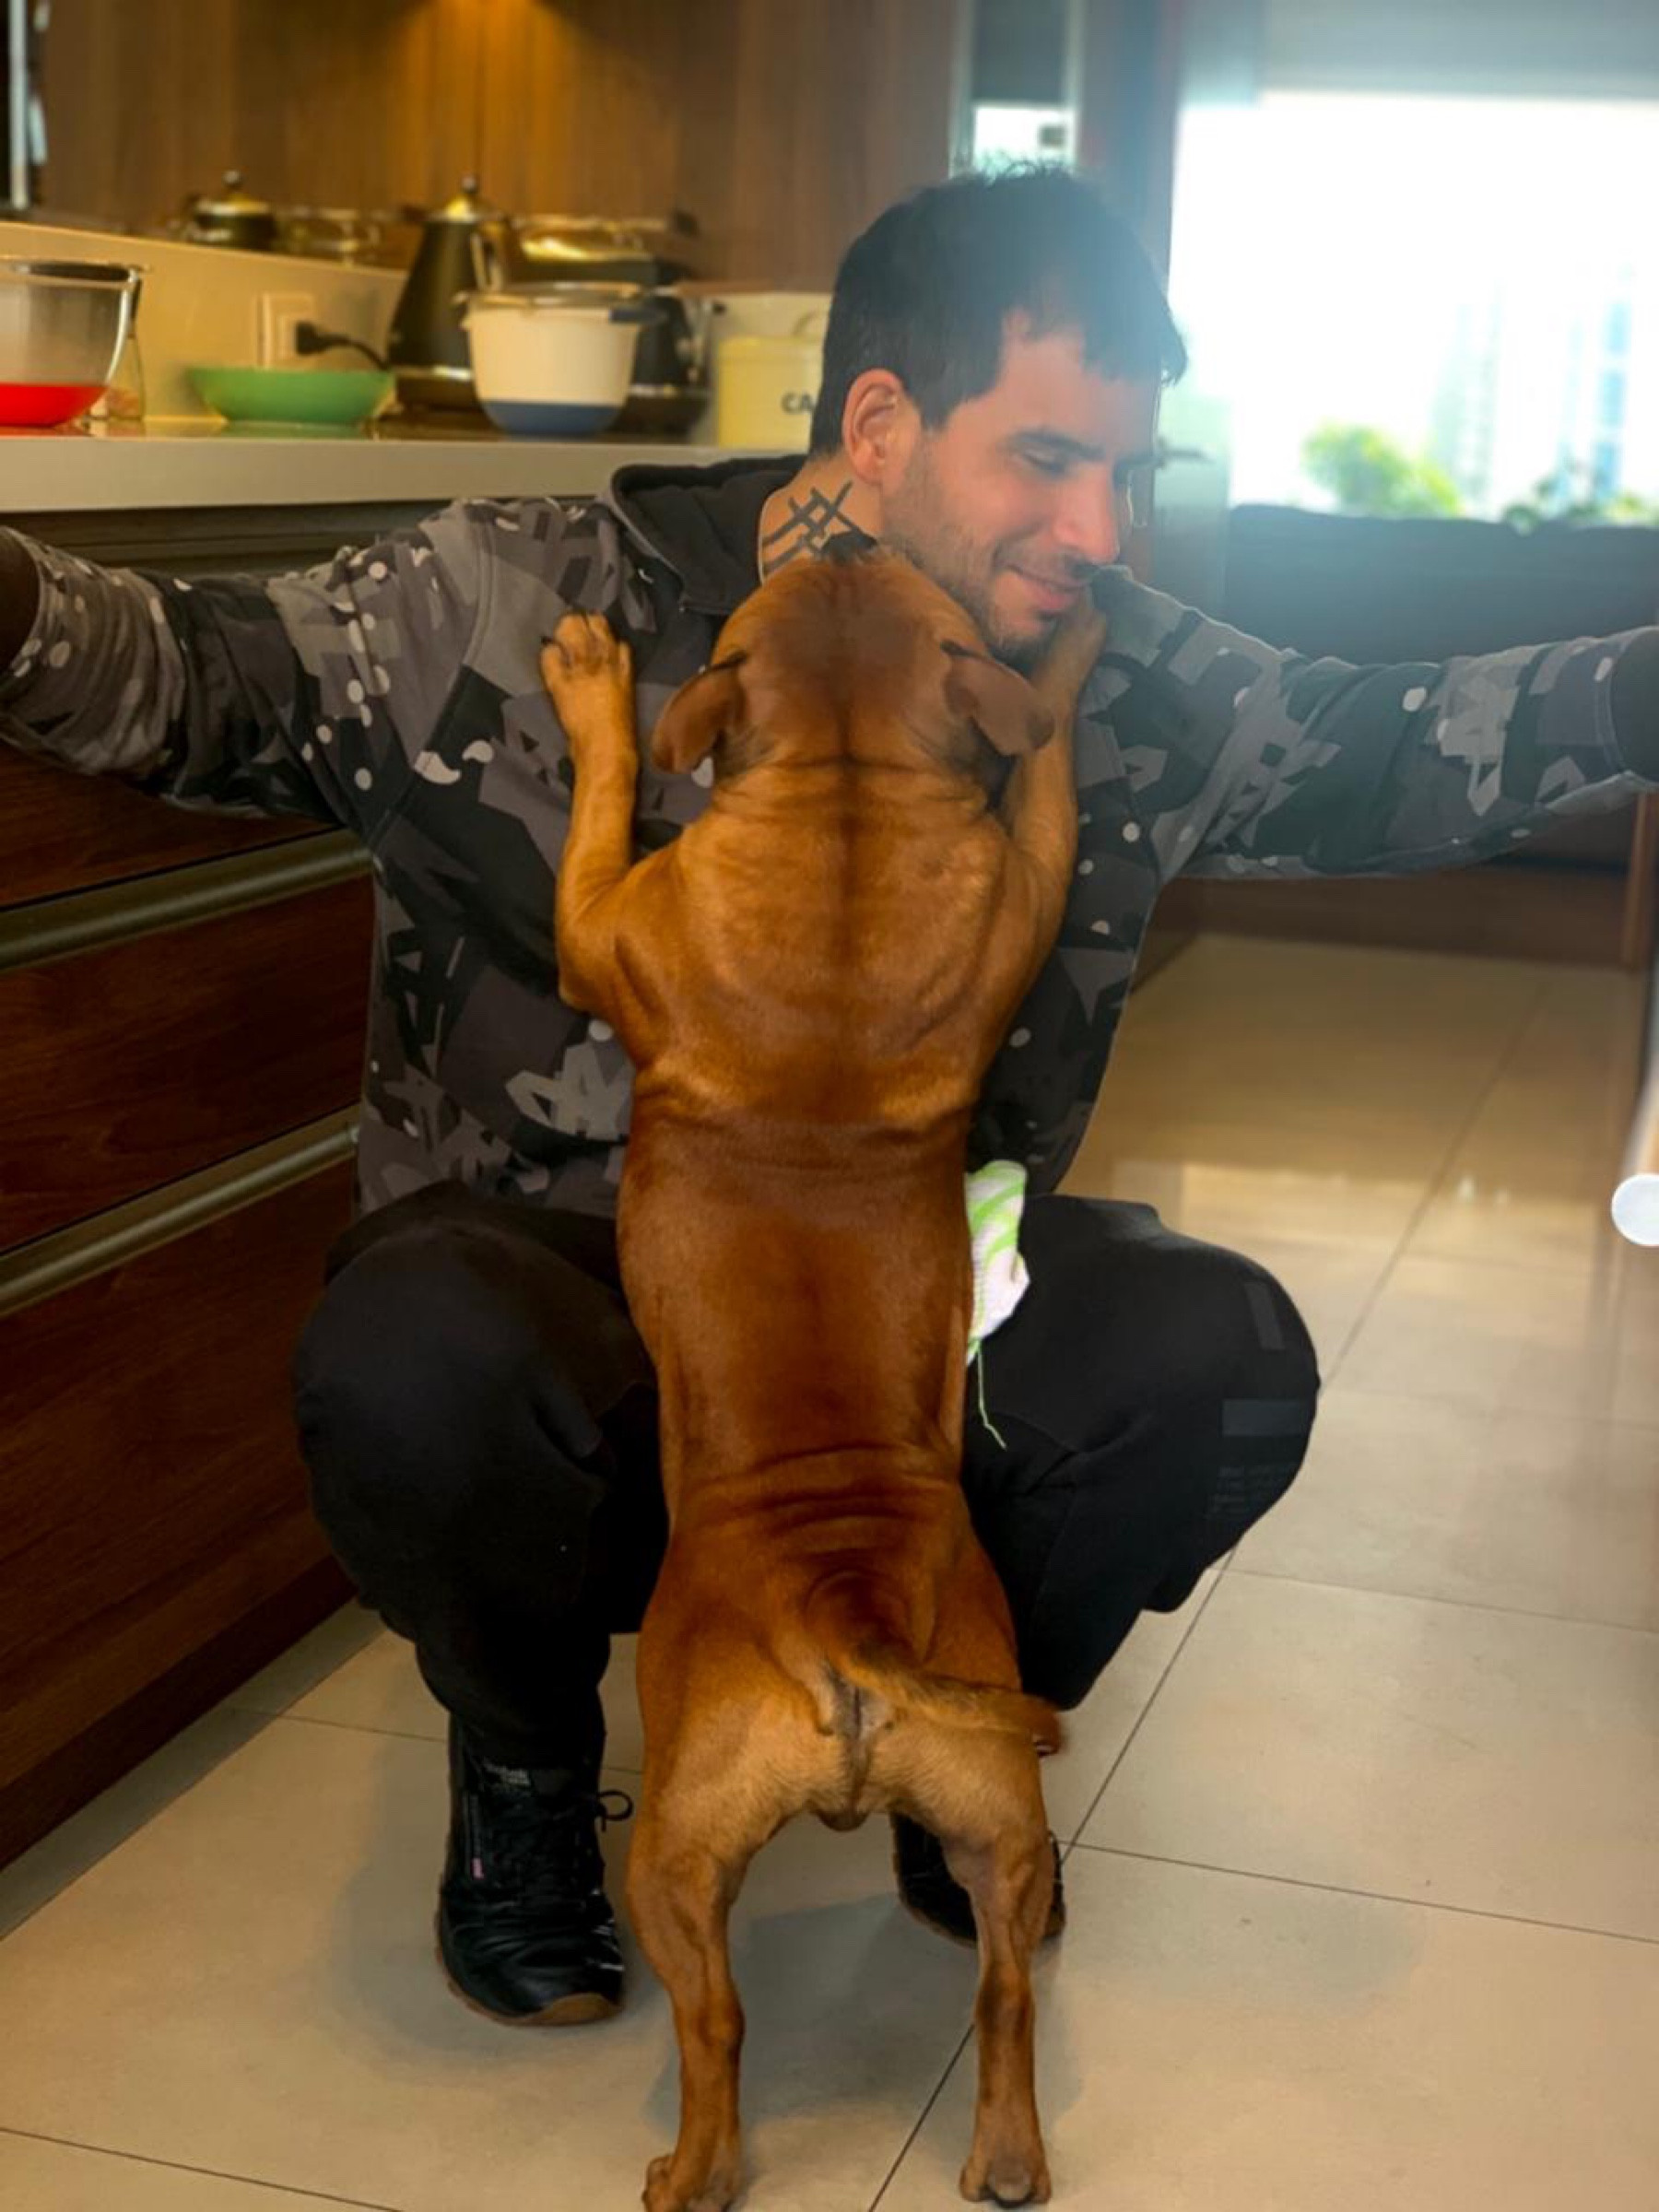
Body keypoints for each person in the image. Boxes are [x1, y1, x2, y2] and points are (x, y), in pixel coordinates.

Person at [4, 166, 1656, 2029]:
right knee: (415, 1357)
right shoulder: (515, 597)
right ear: (880, 423)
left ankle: (948, 1729)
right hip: (574, 1346)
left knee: (1222, 1358)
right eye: (1048, 460)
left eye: (1132, 469)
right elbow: (194, 682)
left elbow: (1400, 754)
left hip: (901, 1348)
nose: (1101, 529)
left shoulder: (1109, 673)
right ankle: (529, 1770)